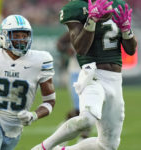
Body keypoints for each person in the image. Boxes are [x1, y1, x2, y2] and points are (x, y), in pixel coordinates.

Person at [31, 0, 137, 149]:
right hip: (92, 75)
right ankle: (42, 147)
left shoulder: (118, 5)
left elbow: (131, 50)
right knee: (87, 119)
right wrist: (91, 20)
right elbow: (81, 49)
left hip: (115, 80)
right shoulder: (77, 8)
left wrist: (126, 30)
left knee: (108, 145)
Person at [0, 14, 56, 150]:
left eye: (24, 36)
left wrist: (33, 115)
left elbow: (49, 102)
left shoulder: (40, 61)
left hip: (15, 128)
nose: (21, 40)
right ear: (4, 36)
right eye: (17, 35)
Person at [57, 32, 92, 141]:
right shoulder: (74, 31)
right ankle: (64, 128)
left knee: (88, 108)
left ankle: (83, 138)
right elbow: (59, 44)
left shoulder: (95, 31)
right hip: (75, 72)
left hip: (90, 72)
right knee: (79, 109)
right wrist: (67, 50)